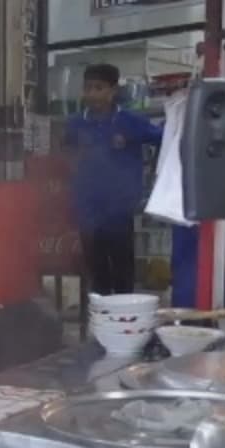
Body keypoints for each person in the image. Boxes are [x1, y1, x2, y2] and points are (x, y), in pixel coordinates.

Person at [64, 63, 163, 295]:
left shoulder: (130, 122)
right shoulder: (76, 124)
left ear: (112, 91)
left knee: (123, 272)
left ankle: (124, 324)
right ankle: (100, 326)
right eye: (87, 88)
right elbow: (66, 156)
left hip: (120, 211)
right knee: (96, 275)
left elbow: (163, 137)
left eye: (98, 88)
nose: (91, 94)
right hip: (88, 212)